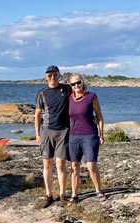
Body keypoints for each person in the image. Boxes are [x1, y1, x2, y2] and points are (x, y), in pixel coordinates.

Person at [34, 65, 72, 208]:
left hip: (63, 131)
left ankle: (63, 195)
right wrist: (37, 134)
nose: (52, 78)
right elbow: (37, 116)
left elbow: (81, 98)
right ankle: (48, 195)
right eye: (49, 75)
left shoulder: (67, 89)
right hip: (46, 131)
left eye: (55, 75)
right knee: (47, 164)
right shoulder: (42, 93)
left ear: (59, 75)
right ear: (46, 77)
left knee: (61, 164)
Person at [67, 74, 106, 206]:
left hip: (90, 135)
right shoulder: (69, 99)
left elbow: (99, 116)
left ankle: (98, 191)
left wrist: (101, 134)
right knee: (74, 166)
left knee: (91, 165)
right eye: (73, 84)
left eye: (78, 83)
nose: (76, 85)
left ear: (83, 83)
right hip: (73, 136)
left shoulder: (91, 96)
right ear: (70, 86)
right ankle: (74, 194)